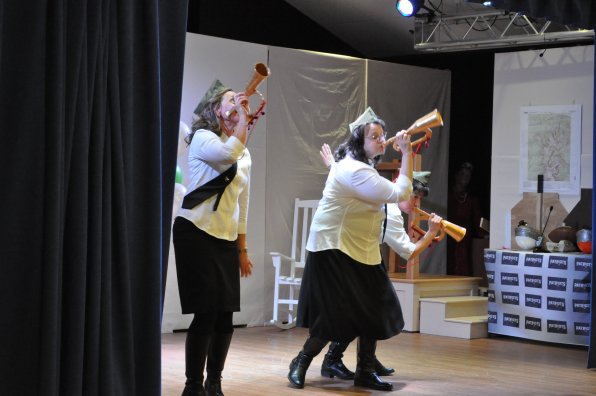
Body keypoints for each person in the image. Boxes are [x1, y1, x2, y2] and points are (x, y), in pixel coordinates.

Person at [288, 106, 432, 392]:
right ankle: (301, 361)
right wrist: (406, 153)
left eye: (383, 136)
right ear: (360, 142)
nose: (382, 141)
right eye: (374, 137)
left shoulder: (358, 166)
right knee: (333, 314)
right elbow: (400, 193)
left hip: (360, 250)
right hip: (333, 249)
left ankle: (364, 371)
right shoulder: (356, 171)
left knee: (374, 307)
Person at [317, 144, 442, 382]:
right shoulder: (392, 211)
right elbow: (408, 251)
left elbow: (350, 182)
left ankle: (363, 360)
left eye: (418, 198)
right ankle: (329, 359)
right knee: (360, 313)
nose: (416, 204)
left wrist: (332, 166)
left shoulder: (382, 196)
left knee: (367, 312)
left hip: (362, 258)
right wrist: (430, 233)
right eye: (414, 196)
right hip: (355, 261)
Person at [172, 79, 254, 396]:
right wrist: (244, 121)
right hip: (195, 231)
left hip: (225, 238)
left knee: (225, 315)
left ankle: (214, 382)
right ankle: (192, 386)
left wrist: (242, 249)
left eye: (240, 100)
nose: (237, 103)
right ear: (217, 110)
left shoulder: (245, 153)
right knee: (205, 311)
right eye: (230, 100)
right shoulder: (203, 138)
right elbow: (225, 156)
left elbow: (242, 206)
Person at [447, 161, 481, 276]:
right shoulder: (447, 193)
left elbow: (477, 219)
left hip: (464, 234)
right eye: (462, 174)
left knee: (463, 259)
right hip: (448, 232)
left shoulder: (471, 198)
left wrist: (483, 232)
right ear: (456, 175)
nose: (465, 178)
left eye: (468, 175)